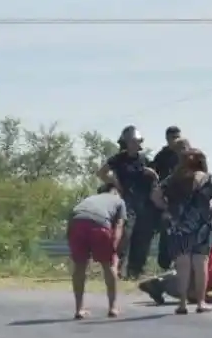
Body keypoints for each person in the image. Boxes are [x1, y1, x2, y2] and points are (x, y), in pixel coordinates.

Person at [150, 148, 212, 314]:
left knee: (182, 265)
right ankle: (201, 302)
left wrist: (167, 207)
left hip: (179, 227)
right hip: (202, 226)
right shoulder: (208, 178)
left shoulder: (173, 179)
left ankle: (182, 304)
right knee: (200, 264)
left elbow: (155, 195)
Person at [97, 126, 156, 280]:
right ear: (125, 142)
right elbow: (101, 172)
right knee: (124, 234)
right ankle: (116, 268)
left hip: (143, 201)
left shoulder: (145, 159)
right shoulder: (118, 159)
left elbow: (156, 180)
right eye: (131, 141)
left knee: (142, 236)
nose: (134, 144)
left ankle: (135, 271)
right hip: (126, 200)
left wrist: (153, 174)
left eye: (137, 141)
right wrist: (115, 183)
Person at [67, 183, 127, 319]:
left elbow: (72, 219)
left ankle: (79, 309)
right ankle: (112, 308)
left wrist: (70, 241)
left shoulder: (90, 199)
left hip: (77, 221)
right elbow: (119, 225)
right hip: (99, 223)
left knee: (80, 266)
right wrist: (114, 246)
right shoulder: (119, 200)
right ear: (115, 191)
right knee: (108, 265)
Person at [138, 244, 212, 305]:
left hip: (199, 246)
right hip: (191, 257)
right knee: (186, 288)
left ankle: (161, 280)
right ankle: (159, 285)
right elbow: (193, 296)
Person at [149, 126, 183, 271]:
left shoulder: (187, 155)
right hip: (166, 198)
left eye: (178, 137)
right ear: (168, 139)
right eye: (173, 138)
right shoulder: (162, 156)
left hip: (184, 201)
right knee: (166, 232)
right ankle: (165, 265)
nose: (176, 141)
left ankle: (181, 266)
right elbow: (153, 173)